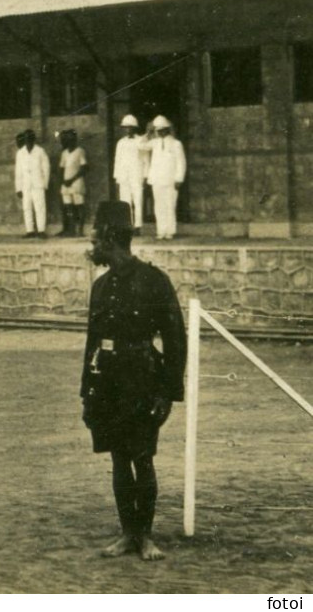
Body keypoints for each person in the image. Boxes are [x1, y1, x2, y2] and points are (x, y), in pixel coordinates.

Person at [81, 201, 185, 561]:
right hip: (109, 383)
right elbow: (92, 343)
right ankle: (127, 533)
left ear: (111, 238)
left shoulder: (154, 282)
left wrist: (169, 393)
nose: (92, 247)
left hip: (143, 382)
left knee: (142, 458)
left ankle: (146, 537)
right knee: (119, 459)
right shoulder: (100, 287)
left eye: (96, 239)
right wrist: (87, 391)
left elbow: (175, 339)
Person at [145, 117, 187, 241]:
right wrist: (148, 133)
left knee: (170, 205)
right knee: (159, 206)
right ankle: (161, 231)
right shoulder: (154, 142)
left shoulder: (176, 143)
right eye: (158, 130)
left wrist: (179, 178)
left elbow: (181, 162)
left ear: (168, 130)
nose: (160, 132)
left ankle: (170, 231)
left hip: (170, 180)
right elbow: (140, 145)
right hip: (157, 179)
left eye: (163, 130)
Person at [112, 114, 149, 229]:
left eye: (130, 127)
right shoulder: (120, 143)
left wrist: (145, 176)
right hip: (124, 176)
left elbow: (145, 160)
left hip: (136, 174)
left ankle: (138, 225)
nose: (128, 130)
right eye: (125, 127)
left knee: (137, 200)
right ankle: (128, 225)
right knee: (125, 200)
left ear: (135, 128)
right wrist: (117, 177)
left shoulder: (141, 141)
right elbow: (117, 160)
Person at [14, 130, 51, 239]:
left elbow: (46, 169)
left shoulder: (40, 151)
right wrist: (18, 188)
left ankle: (41, 230)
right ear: (24, 140)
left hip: (38, 184)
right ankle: (29, 230)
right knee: (27, 207)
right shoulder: (20, 153)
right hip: (26, 185)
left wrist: (45, 184)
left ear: (33, 139)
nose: (28, 140)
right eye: (26, 138)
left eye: (30, 138)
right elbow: (18, 171)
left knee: (40, 207)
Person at [58, 130, 89, 238]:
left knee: (79, 206)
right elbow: (61, 168)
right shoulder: (64, 153)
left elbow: (84, 168)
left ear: (75, 140)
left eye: (71, 139)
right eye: (67, 139)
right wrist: (63, 180)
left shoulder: (80, 151)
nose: (69, 141)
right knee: (68, 207)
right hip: (66, 184)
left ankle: (80, 230)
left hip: (76, 183)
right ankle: (71, 230)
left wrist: (72, 179)